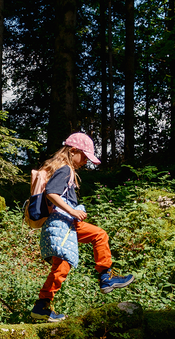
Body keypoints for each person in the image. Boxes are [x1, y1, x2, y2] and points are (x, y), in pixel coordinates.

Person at [32, 132, 135, 322]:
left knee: (62, 266)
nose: (85, 162)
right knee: (99, 235)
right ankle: (106, 276)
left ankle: (42, 305)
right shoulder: (65, 169)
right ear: (73, 151)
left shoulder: (58, 169)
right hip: (63, 223)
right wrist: (72, 211)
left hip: (58, 225)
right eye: (84, 157)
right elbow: (51, 193)